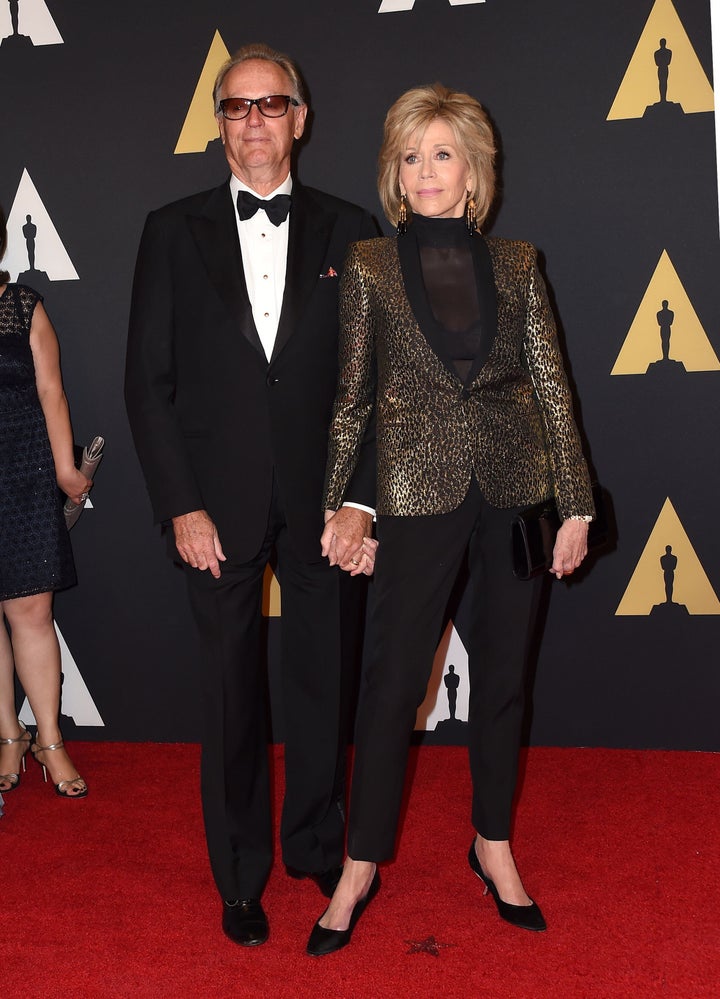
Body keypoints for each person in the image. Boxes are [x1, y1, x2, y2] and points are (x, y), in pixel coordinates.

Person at [307, 83, 595, 956]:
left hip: (515, 492)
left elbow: (552, 387)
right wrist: (339, 507)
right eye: (410, 155)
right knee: (393, 688)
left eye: (442, 154)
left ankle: (492, 843)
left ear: (474, 172)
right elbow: (353, 399)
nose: (425, 171)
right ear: (396, 173)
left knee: (505, 681)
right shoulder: (368, 266)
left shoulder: (517, 262)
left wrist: (576, 501)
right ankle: (361, 864)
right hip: (415, 494)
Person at [124, 43, 377, 948]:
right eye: (238, 106)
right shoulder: (169, 228)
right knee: (231, 694)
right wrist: (180, 504)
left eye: (273, 104)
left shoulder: (353, 228)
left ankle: (312, 840)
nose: (255, 120)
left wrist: (361, 501)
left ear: (300, 119)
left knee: (321, 681)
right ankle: (239, 873)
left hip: (325, 504)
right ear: (219, 121)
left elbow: (375, 382)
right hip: (214, 510)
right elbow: (147, 383)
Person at [0, 204, 91, 800]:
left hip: (25, 472)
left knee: (31, 613)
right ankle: (8, 733)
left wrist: (65, 468)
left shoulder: (22, 304)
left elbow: (51, 388)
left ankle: (49, 739)